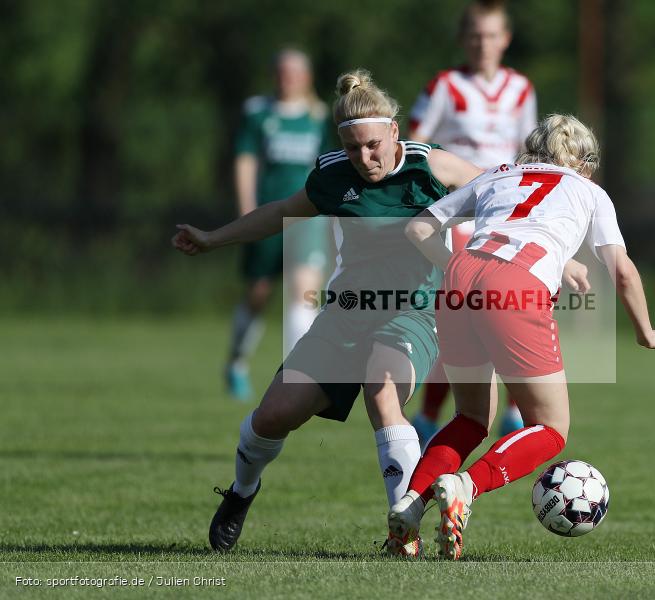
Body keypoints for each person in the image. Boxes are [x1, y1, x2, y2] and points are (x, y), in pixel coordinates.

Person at [173, 69, 485, 557]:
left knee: (382, 390)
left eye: (374, 145)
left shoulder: (432, 166)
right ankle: (241, 492)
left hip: (415, 312)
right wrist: (214, 238)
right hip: (347, 313)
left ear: (395, 132)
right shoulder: (333, 173)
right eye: (354, 147)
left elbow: (503, 193)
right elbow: (282, 211)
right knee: (272, 416)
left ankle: (404, 531)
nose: (365, 157)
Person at [389, 114, 655, 560]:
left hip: (460, 279)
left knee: (470, 418)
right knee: (551, 428)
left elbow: (418, 228)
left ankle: (409, 506)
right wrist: (646, 331)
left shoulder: (500, 174)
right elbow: (622, 270)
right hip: (517, 288)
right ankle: (464, 487)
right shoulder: (589, 191)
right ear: (585, 162)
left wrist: (457, 270)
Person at [408, 0, 538, 441]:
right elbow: (415, 146)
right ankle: (429, 417)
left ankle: (515, 417)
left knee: (515, 309)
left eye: (492, 35)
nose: (484, 44)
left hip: (507, 215)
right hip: (461, 216)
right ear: (464, 39)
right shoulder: (445, 86)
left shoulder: (520, 88)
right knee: (465, 315)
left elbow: (529, 152)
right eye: (476, 35)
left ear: (506, 39)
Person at [226, 48, 331, 401]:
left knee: (303, 291)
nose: (288, 78)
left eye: (295, 72)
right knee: (258, 293)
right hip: (268, 215)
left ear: (307, 78)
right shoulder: (258, 112)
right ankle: (237, 362)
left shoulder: (319, 116)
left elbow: (329, 165)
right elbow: (245, 160)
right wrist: (246, 209)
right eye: (282, 71)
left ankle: (298, 378)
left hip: (308, 217)